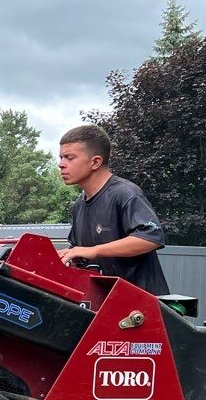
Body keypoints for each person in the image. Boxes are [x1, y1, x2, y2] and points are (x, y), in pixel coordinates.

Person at [55, 124, 170, 295]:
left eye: (69, 158)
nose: (61, 165)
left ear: (95, 162)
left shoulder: (125, 193)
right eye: (61, 157)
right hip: (103, 303)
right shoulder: (79, 205)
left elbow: (151, 238)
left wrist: (94, 250)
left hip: (140, 304)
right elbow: (80, 252)